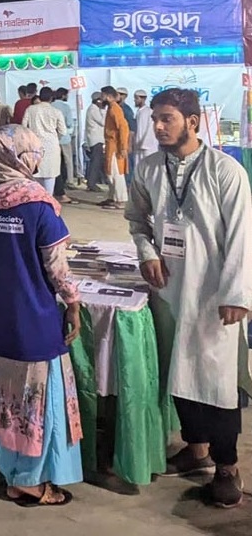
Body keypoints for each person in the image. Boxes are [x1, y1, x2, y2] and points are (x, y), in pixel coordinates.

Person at [125, 88, 252, 509]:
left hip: (215, 294)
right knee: (178, 370)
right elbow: (136, 219)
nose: (158, 127)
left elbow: (242, 237)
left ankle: (227, 466)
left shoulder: (225, 171)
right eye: (155, 119)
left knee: (217, 381)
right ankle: (196, 449)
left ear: (192, 122)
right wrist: (146, 253)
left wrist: (237, 294)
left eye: (167, 119)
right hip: (169, 288)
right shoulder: (148, 168)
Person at [0, 124, 84, 507]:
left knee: (5, 395)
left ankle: (11, 472)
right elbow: (57, 268)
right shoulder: (37, 203)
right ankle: (31, 481)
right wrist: (73, 302)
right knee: (37, 400)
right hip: (34, 318)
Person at [21, 88, 68, 198]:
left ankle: (37, 201)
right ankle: (48, 201)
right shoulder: (56, 112)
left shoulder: (30, 109)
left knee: (35, 175)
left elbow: (23, 127)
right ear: (51, 98)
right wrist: (55, 137)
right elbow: (63, 131)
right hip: (52, 147)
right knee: (50, 176)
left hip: (34, 146)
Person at [100, 87, 130, 210]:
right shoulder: (111, 108)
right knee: (110, 173)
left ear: (108, 96)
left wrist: (123, 146)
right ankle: (112, 197)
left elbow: (123, 127)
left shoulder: (115, 109)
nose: (101, 97)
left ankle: (121, 200)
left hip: (115, 146)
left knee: (116, 173)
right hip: (111, 145)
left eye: (102, 95)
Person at [53, 88, 76, 192]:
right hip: (65, 137)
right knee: (68, 161)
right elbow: (70, 123)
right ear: (63, 95)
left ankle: (56, 181)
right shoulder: (66, 107)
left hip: (54, 138)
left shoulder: (51, 106)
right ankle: (70, 181)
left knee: (55, 161)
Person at [84, 92, 108, 191]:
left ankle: (92, 182)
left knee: (97, 162)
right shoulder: (93, 109)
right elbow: (103, 122)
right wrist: (103, 109)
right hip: (96, 139)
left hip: (97, 139)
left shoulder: (94, 109)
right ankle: (92, 183)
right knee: (95, 162)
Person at [132, 89, 157, 165]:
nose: (135, 100)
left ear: (143, 99)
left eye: (137, 98)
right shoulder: (139, 111)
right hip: (138, 145)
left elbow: (150, 129)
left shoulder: (149, 111)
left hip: (148, 146)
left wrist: (144, 143)